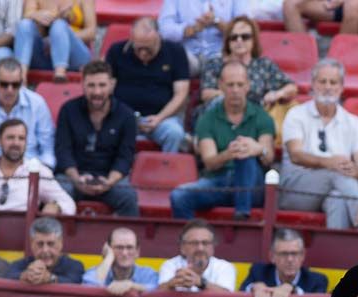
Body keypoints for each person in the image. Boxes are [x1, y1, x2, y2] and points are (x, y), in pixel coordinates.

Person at [172, 61, 274, 219]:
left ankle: (242, 216)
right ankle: (194, 240)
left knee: (245, 156)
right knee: (178, 196)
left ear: (248, 85)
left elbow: (268, 158)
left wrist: (257, 149)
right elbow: (210, 162)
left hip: (253, 186)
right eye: (230, 85)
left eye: (240, 85)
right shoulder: (207, 118)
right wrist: (229, 153)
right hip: (219, 182)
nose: (235, 90)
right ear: (221, 86)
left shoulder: (262, 116)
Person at [278, 58, 358, 230]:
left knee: (337, 199)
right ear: (312, 84)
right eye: (322, 81)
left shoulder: (353, 122)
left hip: (335, 188)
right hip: (296, 192)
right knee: (336, 174)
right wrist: (330, 163)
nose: (327, 87)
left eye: (333, 82)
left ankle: (338, 255)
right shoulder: (296, 114)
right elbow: (296, 155)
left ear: (341, 87)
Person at [54, 60, 140, 217]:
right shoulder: (68, 110)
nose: (97, 92)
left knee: (128, 198)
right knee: (57, 196)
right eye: (91, 85)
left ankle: (125, 241)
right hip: (72, 177)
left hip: (109, 179)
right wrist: (77, 179)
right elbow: (63, 151)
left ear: (112, 85)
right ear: (83, 85)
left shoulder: (126, 115)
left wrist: (109, 182)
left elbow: (125, 157)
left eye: (102, 85)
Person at [107, 17, 191, 153]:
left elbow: (181, 93)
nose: (143, 53)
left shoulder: (175, 52)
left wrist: (159, 118)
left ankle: (167, 170)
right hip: (123, 116)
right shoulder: (117, 51)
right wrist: (124, 116)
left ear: (158, 38)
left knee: (175, 133)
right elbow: (107, 89)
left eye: (148, 48)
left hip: (162, 118)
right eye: (138, 48)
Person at [0, 118, 76, 214]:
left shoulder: (39, 171)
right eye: (10, 138)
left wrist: (55, 206)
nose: (16, 143)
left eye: (21, 138)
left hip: (23, 236)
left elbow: (69, 205)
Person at [199, 15, 297, 115]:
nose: (239, 40)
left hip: (256, 118)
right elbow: (206, 93)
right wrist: (236, 96)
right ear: (228, 42)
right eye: (234, 37)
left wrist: (276, 94)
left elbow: (291, 87)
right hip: (222, 115)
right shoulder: (215, 64)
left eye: (245, 37)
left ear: (254, 40)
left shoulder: (264, 65)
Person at [0, 58, 56, 168]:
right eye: (4, 84)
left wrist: (38, 169)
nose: (10, 90)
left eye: (15, 85)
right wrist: (1, 171)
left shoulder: (37, 103)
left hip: (30, 169)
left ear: (22, 82)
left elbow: (47, 148)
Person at [240, 227, 328, 297]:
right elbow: (242, 291)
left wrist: (293, 290)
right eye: (284, 254)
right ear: (272, 256)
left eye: (295, 253)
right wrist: (255, 288)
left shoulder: (317, 280)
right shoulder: (258, 272)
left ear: (303, 256)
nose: (290, 259)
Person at [14, 0, 96, 83]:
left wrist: (61, 37)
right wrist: (35, 15)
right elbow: (27, 15)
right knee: (24, 24)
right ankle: (20, 77)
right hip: (43, 51)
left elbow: (91, 32)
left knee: (59, 25)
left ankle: (60, 74)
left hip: (75, 55)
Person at [161, 0, 241, 73]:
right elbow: (164, 30)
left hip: (221, 55)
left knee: (234, 64)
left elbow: (244, 30)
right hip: (188, 56)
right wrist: (192, 29)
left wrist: (216, 21)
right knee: (170, 63)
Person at [157, 219, 237, 292]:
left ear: (213, 247)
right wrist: (171, 284)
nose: (200, 248)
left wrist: (201, 283)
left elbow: (227, 296)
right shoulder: (170, 265)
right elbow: (158, 295)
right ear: (182, 247)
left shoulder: (225, 267)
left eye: (205, 243)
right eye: (194, 243)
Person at [8, 216, 85, 283]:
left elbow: (74, 281)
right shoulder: (19, 265)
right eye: (40, 244)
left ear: (61, 243)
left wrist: (50, 278)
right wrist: (26, 275)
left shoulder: (75, 266)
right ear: (31, 244)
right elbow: (9, 275)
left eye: (51, 244)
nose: (45, 250)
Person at [82, 227, 160, 293]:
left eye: (129, 247)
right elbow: (89, 288)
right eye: (119, 247)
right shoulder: (95, 271)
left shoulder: (147, 274)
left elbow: (158, 289)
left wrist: (131, 285)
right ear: (109, 249)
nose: (125, 253)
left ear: (137, 252)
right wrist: (108, 258)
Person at [282, 0, 358, 37]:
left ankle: (336, 67)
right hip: (334, 5)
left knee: (353, 5)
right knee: (291, 4)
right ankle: (304, 61)